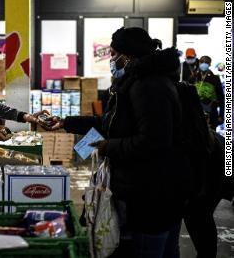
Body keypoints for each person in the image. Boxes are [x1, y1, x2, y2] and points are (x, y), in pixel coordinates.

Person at [44, 27, 190, 258]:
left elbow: (153, 141)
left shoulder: (149, 86)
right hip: (143, 190)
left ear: (128, 55)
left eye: (113, 54)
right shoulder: (136, 81)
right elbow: (111, 122)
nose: (111, 59)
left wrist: (106, 147)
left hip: (152, 197)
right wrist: (66, 122)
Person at [194, 55, 224, 130]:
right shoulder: (194, 77)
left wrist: (221, 115)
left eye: (206, 62)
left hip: (211, 113)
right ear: (199, 63)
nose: (204, 64)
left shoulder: (215, 78)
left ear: (210, 64)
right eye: (202, 62)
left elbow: (221, 98)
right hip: (195, 114)